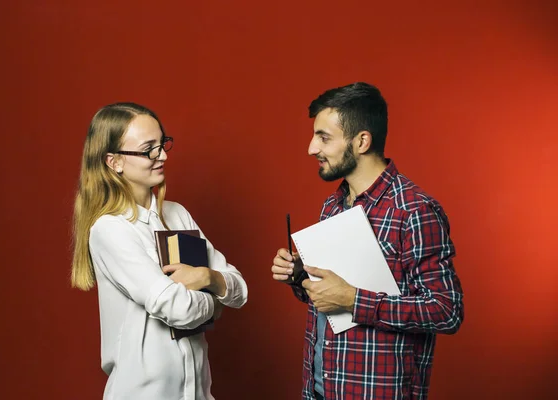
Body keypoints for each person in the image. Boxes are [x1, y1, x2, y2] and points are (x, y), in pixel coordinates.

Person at [271, 83, 464, 400]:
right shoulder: (333, 206)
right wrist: (301, 275)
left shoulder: (414, 210)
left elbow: (447, 310)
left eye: (324, 137)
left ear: (361, 141)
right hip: (321, 388)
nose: (311, 148)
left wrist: (353, 300)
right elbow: (331, 298)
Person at [71, 102, 248, 400]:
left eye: (163, 144)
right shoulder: (110, 229)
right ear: (114, 162)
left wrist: (208, 276)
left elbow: (240, 290)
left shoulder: (177, 214)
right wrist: (214, 305)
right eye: (148, 149)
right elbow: (176, 308)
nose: (162, 156)